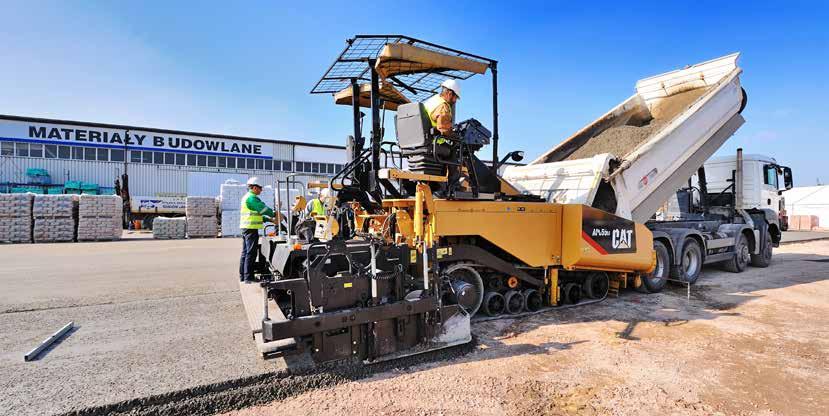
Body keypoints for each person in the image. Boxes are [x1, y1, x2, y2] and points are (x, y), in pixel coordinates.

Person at [239, 177, 275, 283]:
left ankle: (243, 276)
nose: (261, 190)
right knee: (251, 253)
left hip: (247, 228)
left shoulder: (247, 197)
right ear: (254, 187)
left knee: (245, 252)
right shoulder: (252, 198)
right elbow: (263, 209)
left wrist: (269, 220)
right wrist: (274, 214)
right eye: (260, 188)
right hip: (251, 229)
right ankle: (248, 277)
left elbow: (257, 214)